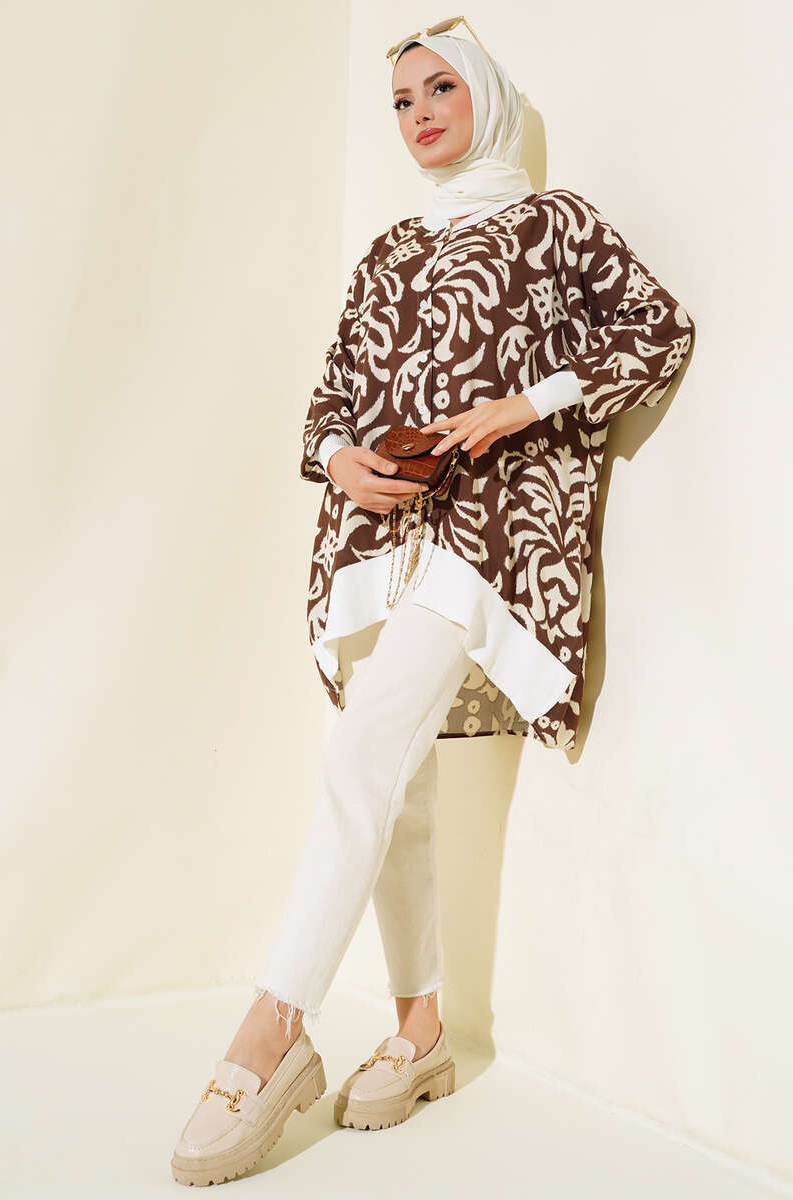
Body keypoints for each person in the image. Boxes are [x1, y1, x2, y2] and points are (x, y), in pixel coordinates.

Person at [171, 18, 695, 1186]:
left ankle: (269, 1034)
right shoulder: (388, 249)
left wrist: (522, 405)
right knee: (392, 780)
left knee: (359, 758)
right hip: (378, 537)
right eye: (401, 101)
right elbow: (331, 397)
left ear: (487, 98)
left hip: (488, 535)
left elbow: (657, 331)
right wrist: (339, 460)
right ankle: (419, 1033)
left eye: (439, 88)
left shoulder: (553, 225)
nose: (417, 115)